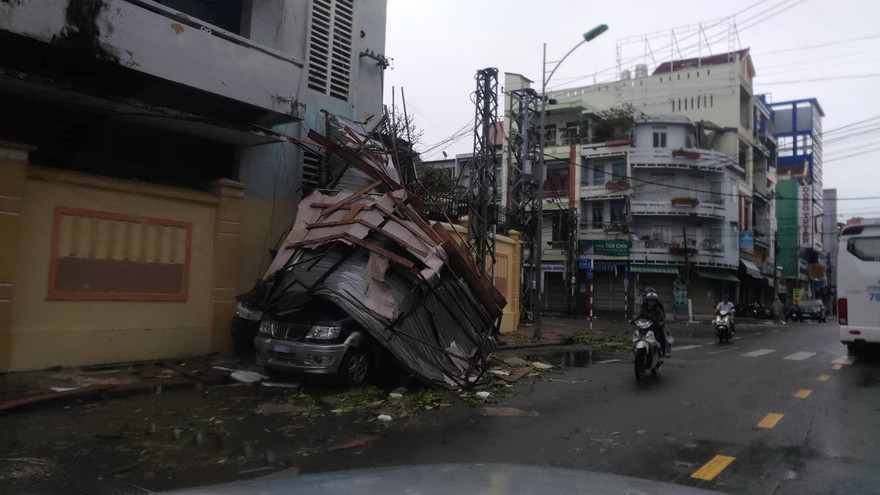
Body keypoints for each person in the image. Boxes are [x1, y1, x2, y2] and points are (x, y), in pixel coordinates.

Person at [637, 291, 669, 358]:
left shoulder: (658, 310)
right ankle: (637, 354)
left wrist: (660, 323)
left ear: (656, 302)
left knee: (662, 337)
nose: (651, 302)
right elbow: (638, 317)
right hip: (645, 327)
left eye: (653, 301)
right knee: (636, 336)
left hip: (655, 328)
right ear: (647, 301)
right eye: (650, 300)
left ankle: (663, 351)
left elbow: (662, 319)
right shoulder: (643, 310)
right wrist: (631, 320)